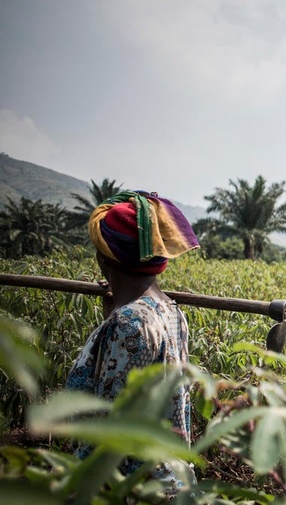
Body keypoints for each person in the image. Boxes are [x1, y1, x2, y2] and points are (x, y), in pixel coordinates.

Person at [65, 190, 200, 494]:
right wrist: (113, 314)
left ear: (102, 259)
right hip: (172, 482)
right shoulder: (173, 313)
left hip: (132, 490)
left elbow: (108, 431)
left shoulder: (128, 324)